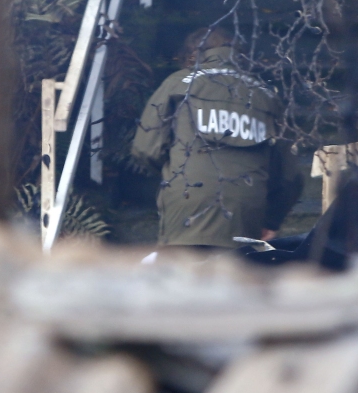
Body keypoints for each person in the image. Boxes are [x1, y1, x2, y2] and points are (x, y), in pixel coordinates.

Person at [131, 27, 305, 248]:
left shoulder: (178, 82)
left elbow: (146, 148)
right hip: (246, 205)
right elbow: (290, 176)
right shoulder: (267, 95)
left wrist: (173, 172)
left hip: (187, 198)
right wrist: (271, 220)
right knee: (235, 277)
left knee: (181, 277)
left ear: (192, 54)